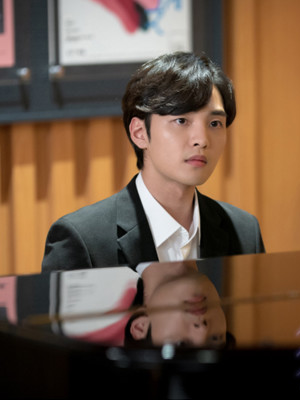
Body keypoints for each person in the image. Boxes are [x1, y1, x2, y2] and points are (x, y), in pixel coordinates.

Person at [42, 52, 265, 272]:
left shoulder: (244, 231)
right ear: (139, 133)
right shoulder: (82, 239)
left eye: (215, 123)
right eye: (181, 120)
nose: (202, 140)